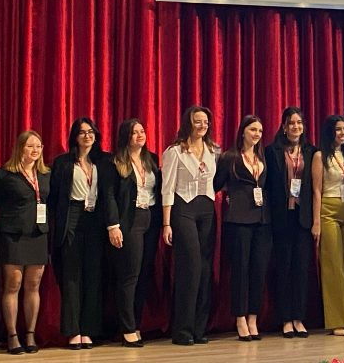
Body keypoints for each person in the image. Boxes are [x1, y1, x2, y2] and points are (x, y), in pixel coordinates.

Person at [161, 105, 219, 345]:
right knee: (191, 267)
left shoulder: (213, 150)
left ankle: (198, 328)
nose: (202, 125)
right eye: (198, 121)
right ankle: (182, 329)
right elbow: (167, 188)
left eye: (206, 121)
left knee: (204, 269)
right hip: (183, 209)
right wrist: (166, 223)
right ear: (188, 123)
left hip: (207, 209)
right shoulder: (175, 151)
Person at [101, 118, 161, 347]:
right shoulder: (115, 162)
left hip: (150, 219)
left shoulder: (151, 159)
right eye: (135, 132)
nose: (140, 135)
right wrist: (113, 226)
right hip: (129, 220)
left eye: (142, 131)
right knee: (130, 276)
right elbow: (108, 196)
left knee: (144, 274)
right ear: (126, 136)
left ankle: (136, 324)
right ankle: (126, 328)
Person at [49, 117, 106, 349]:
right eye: (82, 132)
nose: (87, 136)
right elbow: (54, 197)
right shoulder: (63, 162)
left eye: (90, 131)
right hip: (71, 217)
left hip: (95, 219)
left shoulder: (103, 161)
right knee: (71, 275)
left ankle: (88, 329)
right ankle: (73, 330)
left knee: (93, 275)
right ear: (75, 136)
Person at [214, 114, 271, 341]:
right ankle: (239, 318)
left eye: (260, 131)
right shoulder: (230, 157)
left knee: (258, 270)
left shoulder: (262, 157)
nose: (257, 134)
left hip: (262, 221)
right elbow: (216, 185)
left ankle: (253, 318)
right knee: (240, 270)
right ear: (243, 131)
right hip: (238, 221)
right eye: (252, 130)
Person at [0, 130, 50, 354]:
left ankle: (30, 334)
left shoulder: (46, 174)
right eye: (30, 146)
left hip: (38, 234)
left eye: (38, 146)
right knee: (13, 284)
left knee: (33, 284)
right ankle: (12, 335)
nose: (35, 150)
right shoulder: (4, 174)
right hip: (13, 235)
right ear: (20, 148)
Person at [265, 106, 314, 338]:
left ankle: (298, 318)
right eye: (291, 123)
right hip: (281, 217)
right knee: (283, 268)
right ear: (284, 127)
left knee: (301, 269)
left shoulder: (311, 152)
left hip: (303, 218)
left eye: (299, 123)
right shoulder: (272, 151)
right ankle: (285, 319)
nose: (296, 127)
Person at [311, 114, 344, 336]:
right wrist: (316, 221)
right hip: (328, 210)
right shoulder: (320, 156)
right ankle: (337, 320)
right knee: (333, 265)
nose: (343, 133)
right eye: (339, 129)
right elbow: (316, 190)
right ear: (330, 131)